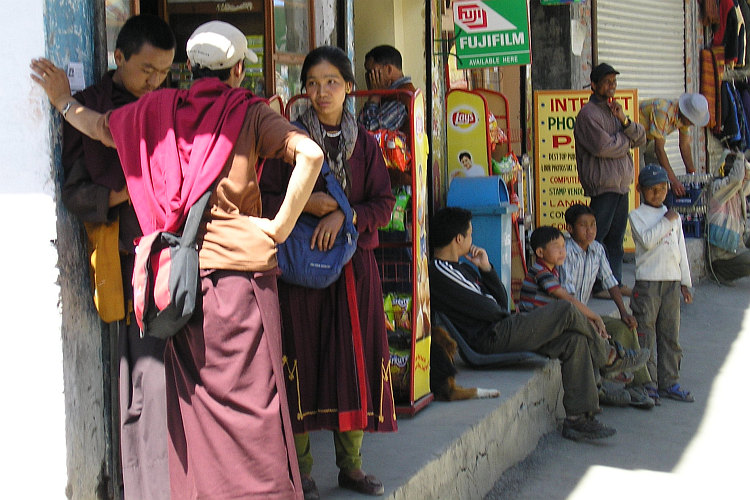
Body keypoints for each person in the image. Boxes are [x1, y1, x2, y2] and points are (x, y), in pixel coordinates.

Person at [32, 20, 325, 499]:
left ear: (189, 68)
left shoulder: (156, 110)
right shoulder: (248, 111)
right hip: (242, 281)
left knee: (198, 406)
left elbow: (96, 128)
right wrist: (279, 228)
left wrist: (61, 100)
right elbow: (309, 155)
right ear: (237, 70)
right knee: (254, 404)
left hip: (180, 279)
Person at [260, 46, 397, 500]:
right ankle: (299, 471)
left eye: (332, 82)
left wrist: (344, 214)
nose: (322, 92)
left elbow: (384, 202)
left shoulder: (368, 144)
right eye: (313, 84)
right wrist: (306, 206)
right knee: (300, 362)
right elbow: (266, 198)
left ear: (349, 88)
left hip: (352, 273)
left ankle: (351, 467)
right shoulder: (287, 142)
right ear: (303, 89)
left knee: (351, 365)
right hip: (299, 272)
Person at [59, 15, 175, 499]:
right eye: (146, 70)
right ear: (119, 58)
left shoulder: (169, 106)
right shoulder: (90, 108)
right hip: (129, 264)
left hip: (177, 260)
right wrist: (129, 192)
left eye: (164, 73)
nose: (154, 82)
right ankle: (143, 485)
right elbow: (77, 193)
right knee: (141, 379)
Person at [429, 207, 651, 441]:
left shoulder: (463, 268)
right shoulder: (441, 270)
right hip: (491, 336)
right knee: (565, 309)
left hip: (503, 327)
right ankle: (608, 357)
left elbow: (501, 301)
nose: (473, 239)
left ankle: (579, 419)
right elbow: (492, 310)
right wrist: (512, 316)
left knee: (573, 341)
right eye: (471, 234)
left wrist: (486, 269)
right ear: (459, 239)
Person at [520, 224, 651, 409]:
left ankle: (603, 379)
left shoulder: (554, 271)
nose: (562, 252)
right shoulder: (540, 272)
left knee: (584, 336)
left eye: (563, 246)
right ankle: (611, 360)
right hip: (536, 327)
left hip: (547, 323)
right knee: (583, 329)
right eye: (556, 247)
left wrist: (592, 319)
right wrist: (594, 318)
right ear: (540, 252)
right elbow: (567, 300)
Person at [559, 204, 656, 408]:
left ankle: (640, 384)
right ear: (570, 228)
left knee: (625, 327)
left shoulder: (597, 249)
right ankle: (606, 378)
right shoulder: (565, 252)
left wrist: (623, 312)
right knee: (592, 335)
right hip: (568, 315)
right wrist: (592, 319)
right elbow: (567, 297)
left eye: (593, 225)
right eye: (583, 226)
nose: (590, 230)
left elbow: (610, 281)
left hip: (585, 313)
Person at [574, 63, 646, 297]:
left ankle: (613, 282)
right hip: (602, 185)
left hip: (620, 185)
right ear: (593, 85)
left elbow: (641, 137)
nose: (611, 86)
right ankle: (596, 285)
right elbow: (602, 147)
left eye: (614, 82)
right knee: (597, 236)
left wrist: (624, 122)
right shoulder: (587, 115)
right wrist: (626, 141)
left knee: (615, 237)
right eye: (606, 82)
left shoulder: (614, 110)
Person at [629, 164, 695, 403]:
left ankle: (670, 381)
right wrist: (667, 220)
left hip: (671, 282)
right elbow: (647, 241)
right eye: (651, 190)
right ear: (640, 190)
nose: (657, 194)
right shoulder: (636, 216)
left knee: (669, 334)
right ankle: (647, 382)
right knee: (645, 333)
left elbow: (681, 252)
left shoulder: (673, 216)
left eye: (662, 188)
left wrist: (685, 283)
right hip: (648, 284)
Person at [639, 93, 710, 196]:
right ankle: (642, 206)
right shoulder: (663, 111)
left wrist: (692, 174)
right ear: (686, 114)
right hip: (634, 136)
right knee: (644, 177)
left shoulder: (683, 119)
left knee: (659, 175)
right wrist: (673, 181)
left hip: (649, 137)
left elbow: (684, 145)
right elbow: (659, 149)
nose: (693, 124)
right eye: (692, 121)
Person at [708, 152, 750, 283]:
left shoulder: (738, 194)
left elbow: (742, 181)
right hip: (721, 261)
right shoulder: (717, 190)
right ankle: (722, 275)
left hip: (734, 251)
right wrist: (740, 158)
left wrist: (745, 162)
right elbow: (736, 180)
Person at [358, 44, 416, 131]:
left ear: (389, 70)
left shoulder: (403, 98)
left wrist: (374, 98)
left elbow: (368, 132)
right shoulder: (389, 95)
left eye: (372, 72)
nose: (368, 77)